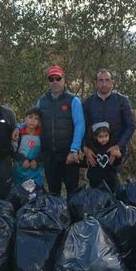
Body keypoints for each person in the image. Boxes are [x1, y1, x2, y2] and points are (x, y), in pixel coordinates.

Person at [35, 65, 85, 196]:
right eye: (51, 79)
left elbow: (80, 125)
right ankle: (57, 216)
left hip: (68, 154)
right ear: (48, 82)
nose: (55, 82)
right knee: (53, 192)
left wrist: (74, 150)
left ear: (63, 80)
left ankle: (74, 216)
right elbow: (33, 122)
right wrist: (18, 128)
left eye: (58, 78)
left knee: (72, 192)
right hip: (49, 155)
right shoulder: (41, 102)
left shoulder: (73, 100)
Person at [82, 69, 135, 190]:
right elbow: (82, 128)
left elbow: (130, 125)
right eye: (100, 80)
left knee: (115, 188)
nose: (104, 83)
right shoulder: (88, 102)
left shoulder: (122, 100)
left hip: (116, 153)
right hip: (94, 154)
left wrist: (118, 146)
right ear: (95, 83)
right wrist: (85, 148)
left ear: (112, 82)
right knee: (95, 189)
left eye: (107, 80)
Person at [13, 107, 44, 187]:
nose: (32, 120)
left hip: (36, 172)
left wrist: (37, 160)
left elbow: (45, 151)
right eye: (30, 117)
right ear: (25, 118)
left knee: (35, 195)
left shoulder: (42, 134)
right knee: (20, 195)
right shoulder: (18, 133)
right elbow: (12, 151)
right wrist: (22, 159)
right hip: (20, 171)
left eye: (36, 119)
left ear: (39, 122)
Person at [86, 122, 121, 192]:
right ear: (95, 137)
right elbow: (86, 163)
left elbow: (116, 163)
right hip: (95, 180)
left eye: (106, 136)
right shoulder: (91, 149)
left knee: (112, 197)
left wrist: (119, 155)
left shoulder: (111, 148)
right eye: (100, 137)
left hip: (110, 180)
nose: (104, 139)